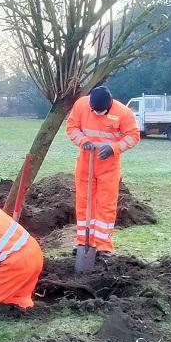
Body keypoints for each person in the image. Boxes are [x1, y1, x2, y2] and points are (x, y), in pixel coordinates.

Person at [65, 85, 139, 256]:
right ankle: (83, 242)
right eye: (94, 111)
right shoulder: (81, 105)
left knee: (106, 204)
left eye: (101, 111)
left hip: (109, 164)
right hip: (86, 160)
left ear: (110, 103)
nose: (97, 114)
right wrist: (83, 141)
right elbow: (72, 128)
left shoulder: (123, 113)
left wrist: (113, 148)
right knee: (83, 202)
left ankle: (104, 246)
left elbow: (133, 136)